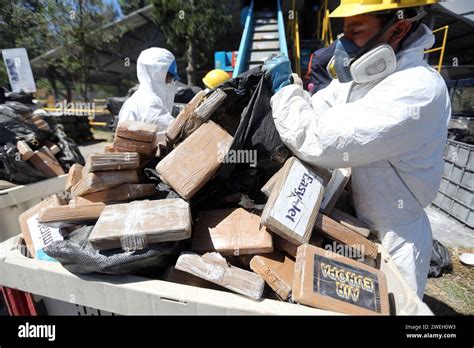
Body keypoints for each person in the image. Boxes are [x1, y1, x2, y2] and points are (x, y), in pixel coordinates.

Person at [263, 0, 450, 299]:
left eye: (355, 31)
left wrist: (285, 89)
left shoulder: (418, 89)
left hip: (391, 239)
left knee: (389, 306)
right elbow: (315, 109)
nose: (343, 43)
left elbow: (319, 139)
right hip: (349, 228)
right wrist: (294, 90)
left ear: (398, 27)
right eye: (344, 31)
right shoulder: (362, 81)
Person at [118, 47, 180, 134]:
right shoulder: (149, 103)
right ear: (157, 73)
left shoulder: (137, 99)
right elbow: (175, 132)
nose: (170, 81)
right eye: (169, 76)